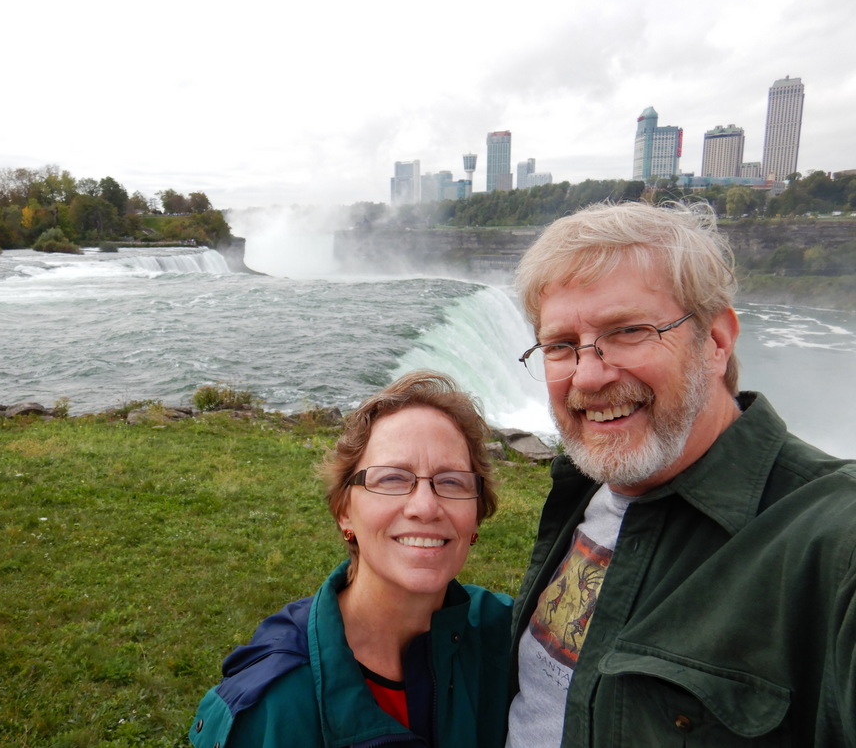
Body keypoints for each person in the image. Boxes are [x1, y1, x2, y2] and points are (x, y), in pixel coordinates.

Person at [506, 200, 856, 747]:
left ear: (716, 342)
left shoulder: (834, 541)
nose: (589, 376)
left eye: (627, 331)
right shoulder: (588, 490)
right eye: (560, 346)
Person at [190, 371, 513, 747]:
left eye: (452, 481)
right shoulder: (279, 701)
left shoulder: (511, 638)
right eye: (392, 479)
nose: (425, 507)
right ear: (344, 511)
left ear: (476, 515)